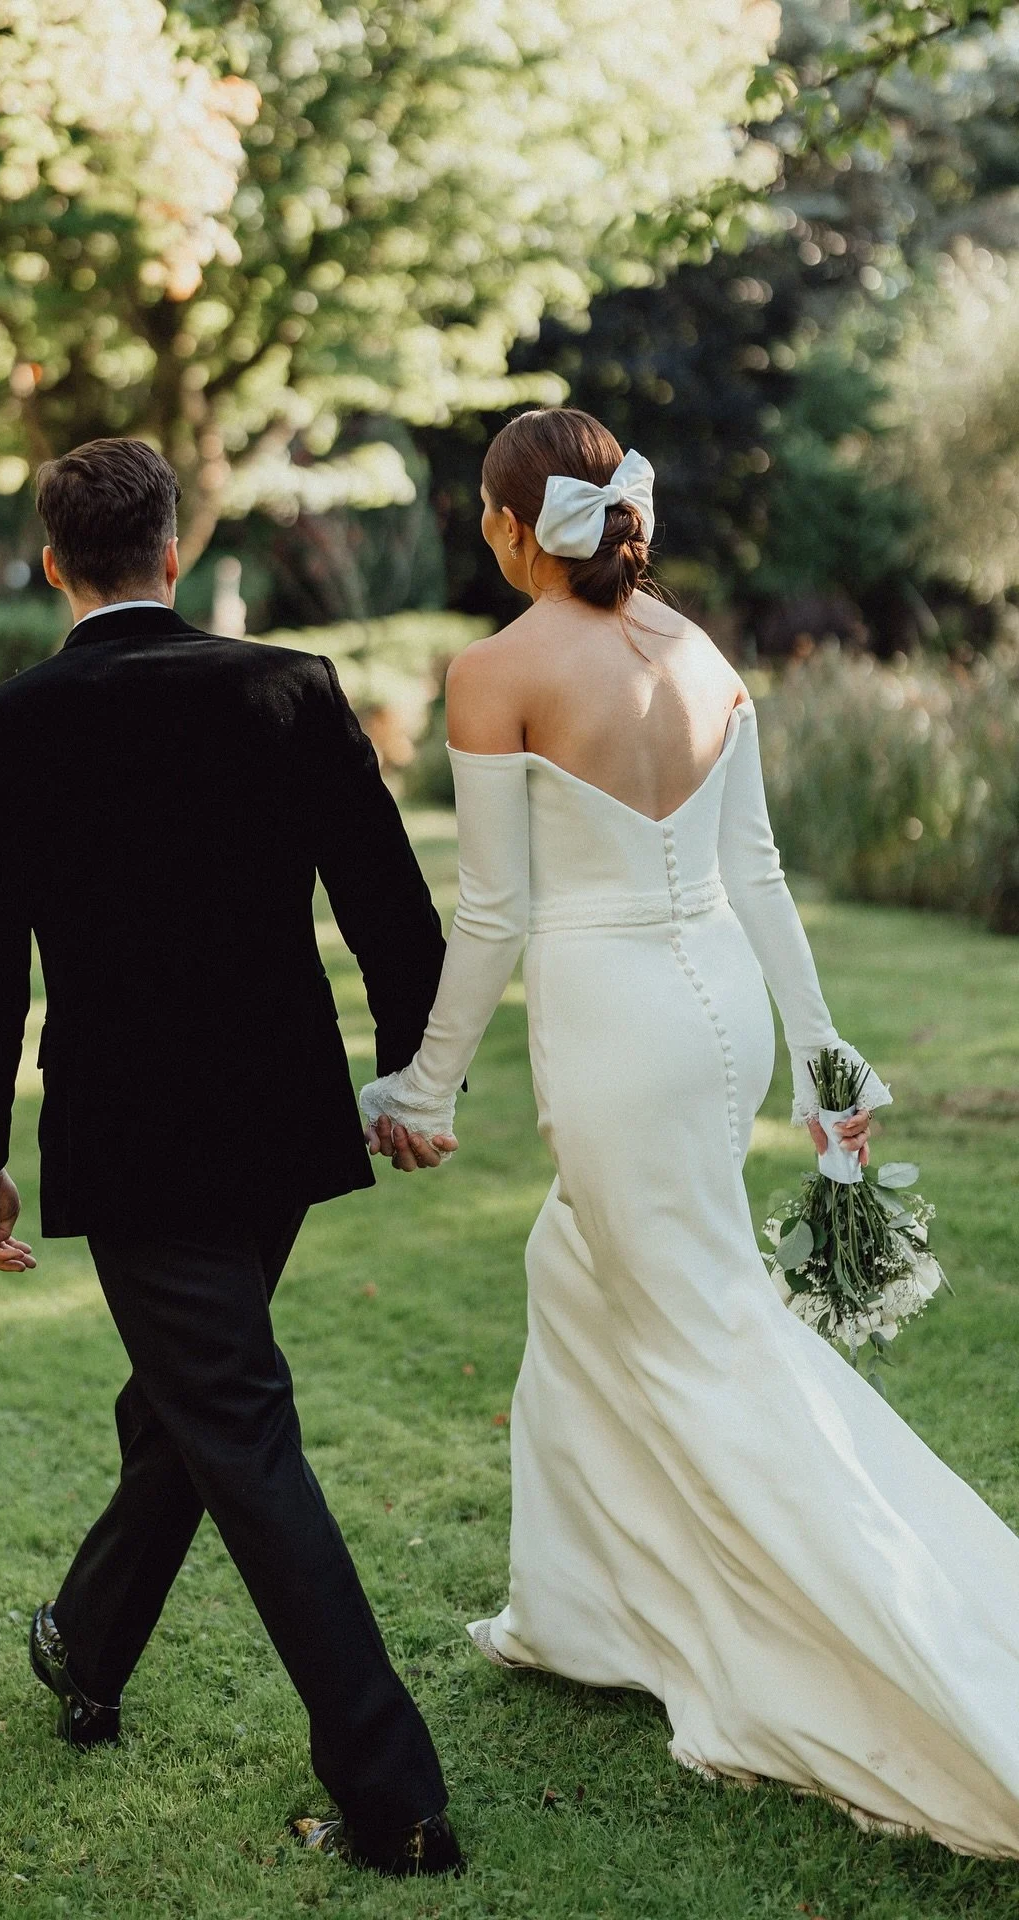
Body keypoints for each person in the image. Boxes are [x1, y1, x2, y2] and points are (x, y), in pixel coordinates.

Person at [360, 406, 1019, 1857]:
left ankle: (940, 1680)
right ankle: (576, 1611)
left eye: (487, 512)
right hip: (722, 1006)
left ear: (514, 527)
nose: (486, 532)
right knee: (575, 1277)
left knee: (713, 1342)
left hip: (618, 1029)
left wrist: (422, 1088)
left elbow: (495, 911)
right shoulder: (704, 655)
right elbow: (763, 870)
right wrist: (822, 1049)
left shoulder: (494, 671)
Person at [0, 437, 462, 1877]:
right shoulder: (286, 689)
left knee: (227, 1416)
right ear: (173, 547)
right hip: (278, 1120)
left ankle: (392, 1793)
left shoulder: (4, 726)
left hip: (135, 1133)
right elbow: (392, 909)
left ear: (55, 564)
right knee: (193, 1403)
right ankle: (86, 1646)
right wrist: (415, 1069)